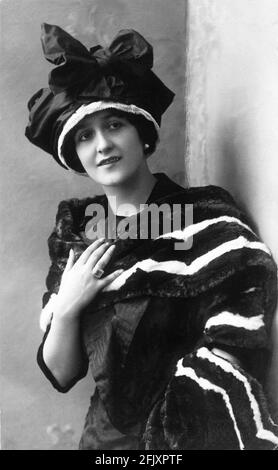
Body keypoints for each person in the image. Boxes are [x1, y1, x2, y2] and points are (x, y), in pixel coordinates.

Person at [25, 23, 278, 450]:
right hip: (105, 444)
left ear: (141, 134)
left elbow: (241, 325)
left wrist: (184, 412)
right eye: (85, 135)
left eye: (114, 124)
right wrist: (68, 306)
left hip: (188, 434)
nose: (102, 144)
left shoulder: (204, 217)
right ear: (75, 156)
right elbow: (63, 374)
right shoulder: (78, 233)